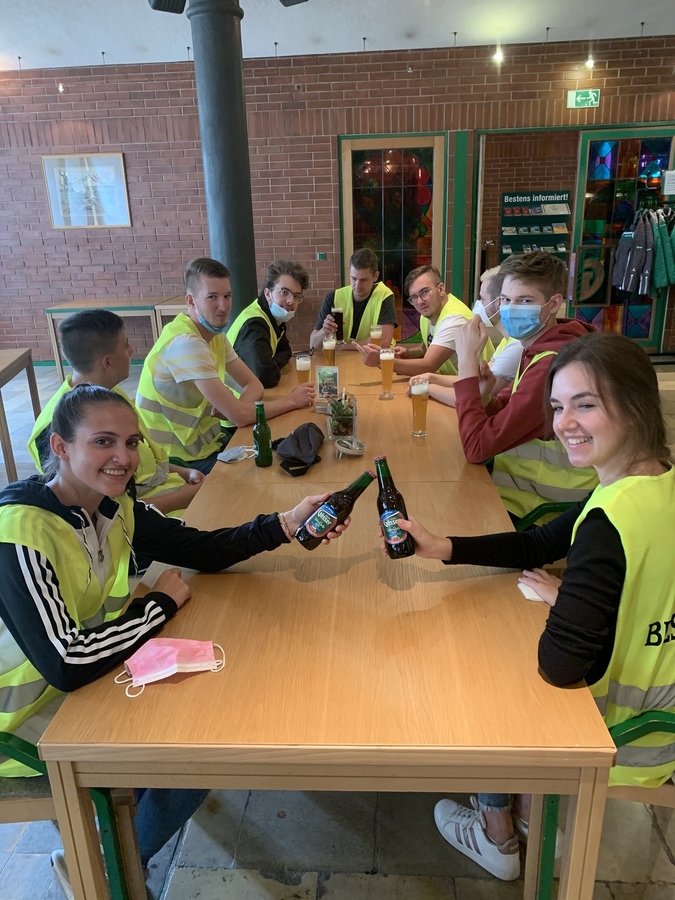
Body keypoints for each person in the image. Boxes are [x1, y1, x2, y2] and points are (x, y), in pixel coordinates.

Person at [0, 385, 348, 894]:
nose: (123, 458)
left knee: (208, 716)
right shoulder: (20, 532)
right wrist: (157, 607)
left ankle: (111, 844)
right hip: (22, 724)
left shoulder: (111, 505)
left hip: (85, 679)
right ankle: (107, 868)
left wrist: (285, 524)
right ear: (60, 446)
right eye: (103, 442)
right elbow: (66, 661)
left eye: (131, 442)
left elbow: (200, 548)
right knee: (197, 747)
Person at [392, 331, 675, 881]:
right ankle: (526, 809)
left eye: (585, 405)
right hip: (662, 713)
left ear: (635, 405)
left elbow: (561, 664)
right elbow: (539, 545)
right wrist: (444, 547)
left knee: (478, 659)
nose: (564, 423)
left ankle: (498, 831)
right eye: (558, 406)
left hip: (624, 740)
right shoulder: (652, 483)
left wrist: (565, 602)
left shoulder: (609, 522)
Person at [136, 257, 315, 475]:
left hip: (207, 445)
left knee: (286, 455)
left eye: (227, 296)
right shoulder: (186, 343)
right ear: (191, 301)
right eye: (212, 297)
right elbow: (241, 414)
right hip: (176, 461)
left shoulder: (214, 335)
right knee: (270, 473)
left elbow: (254, 385)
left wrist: (237, 410)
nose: (223, 306)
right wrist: (291, 401)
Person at [453, 251, 598, 520]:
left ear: (554, 304)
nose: (510, 309)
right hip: (520, 488)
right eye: (506, 300)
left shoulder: (553, 361)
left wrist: (466, 364)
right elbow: (508, 409)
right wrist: (485, 394)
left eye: (525, 300)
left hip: (542, 507)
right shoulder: (539, 346)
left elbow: (476, 448)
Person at [27, 309, 204, 516]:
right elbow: (102, 512)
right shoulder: (56, 425)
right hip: (146, 520)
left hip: (169, 491)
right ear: (108, 362)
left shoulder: (109, 394)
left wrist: (184, 472)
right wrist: (187, 496)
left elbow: (145, 459)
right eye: (126, 345)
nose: (131, 351)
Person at [406, 267, 523, 405]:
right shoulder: (507, 341)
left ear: (499, 302)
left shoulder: (517, 346)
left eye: (482, 299)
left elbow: (475, 397)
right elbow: (477, 382)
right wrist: (431, 378)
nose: (478, 305)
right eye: (414, 297)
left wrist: (427, 387)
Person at [355, 264, 493, 376]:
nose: (420, 302)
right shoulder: (428, 314)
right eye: (414, 297)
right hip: (456, 383)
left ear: (441, 289)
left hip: (479, 389)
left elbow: (428, 366)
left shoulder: (454, 319)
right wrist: (409, 353)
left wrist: (381, 360)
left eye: (425, 292)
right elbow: (429, 345)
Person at [228, 259, 309, 388]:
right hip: (236, 398)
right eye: (284, 292)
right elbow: (265, 376)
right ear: (268, 293)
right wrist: (273, 364)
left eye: (296, 296)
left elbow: (286, 350)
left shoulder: (273, 318)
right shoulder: (255, 325)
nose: (290, 301)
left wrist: (272, 363)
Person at [309, 248, 397, 351]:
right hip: (344, 357)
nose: (357, 285)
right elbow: (313, 345)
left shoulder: (384, 295)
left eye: (363, 280)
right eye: (354, 279)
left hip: (374, 356)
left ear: (375, 276)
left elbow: (384, 341)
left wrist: (344, 347)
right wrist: (324, 331)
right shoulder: (333, 297)